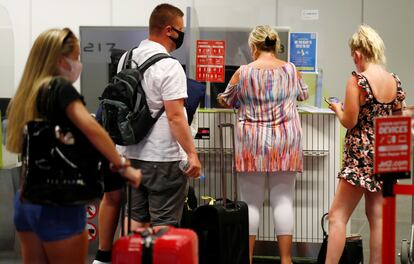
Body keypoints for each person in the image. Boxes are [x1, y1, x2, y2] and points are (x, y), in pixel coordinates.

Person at [6, 27, 142, 264]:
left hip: (27, 201)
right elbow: (93, 131)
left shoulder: (30, 93)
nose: (79, 64)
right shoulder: (59, 89)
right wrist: (122, 165)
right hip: (59, 203)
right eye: (76, 58)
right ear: (61, 60)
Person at [93, 4, 202, 264]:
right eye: (181, 30)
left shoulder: (126, 58)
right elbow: (176, 116)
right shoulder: (170, 66)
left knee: (135, 225)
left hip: (129, 154)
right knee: (163, 227)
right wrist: (191, 154)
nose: (182, 36)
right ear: (168, 30)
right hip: (163, 158)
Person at [218, 25, 309, 264]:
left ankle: (246, 258)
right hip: (286, 142)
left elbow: (226, 100)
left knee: (250, 204)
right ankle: (286, 260)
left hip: (252, 143)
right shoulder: (291, 69)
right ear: (275, 45)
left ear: (254, 47)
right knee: (283, 201)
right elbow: (303, 95)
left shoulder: (243, 72)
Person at [325, 24, 405, 264]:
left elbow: (350, 122)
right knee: (378, 218)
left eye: (353, 56)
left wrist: (338, 108)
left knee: (337, 217)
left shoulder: (357, 81)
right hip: (383, 153)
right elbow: (398, 119)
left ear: (358, 54)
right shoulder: (394, 80)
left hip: (359, 156)